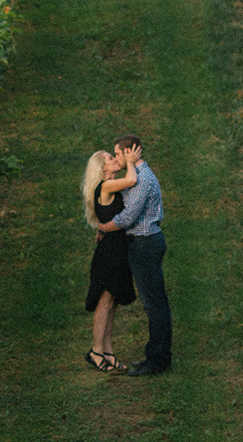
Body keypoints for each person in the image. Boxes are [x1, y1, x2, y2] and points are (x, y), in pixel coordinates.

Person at [97, 134, 170, 376]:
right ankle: (156, 355)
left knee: (154, 304)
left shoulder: (142, 180)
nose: (116, 157)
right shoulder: (138, 176)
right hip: (142, 243)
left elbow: (127, 218)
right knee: (153, 302)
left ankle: (158, 360)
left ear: (130, 153)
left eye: (118, 153)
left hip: (144, 245)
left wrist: (103, 228)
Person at [81, 150, 137, 372]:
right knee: (105, 301)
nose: (116, 160)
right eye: (110, 159)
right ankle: (96, 351)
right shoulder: (105, 186)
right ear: (103, 168)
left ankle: (108, 351)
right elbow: (132, 179)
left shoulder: (107, 186)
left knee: (111, 301)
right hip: (110, 252)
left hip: (115, 248)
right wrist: (131, 161)